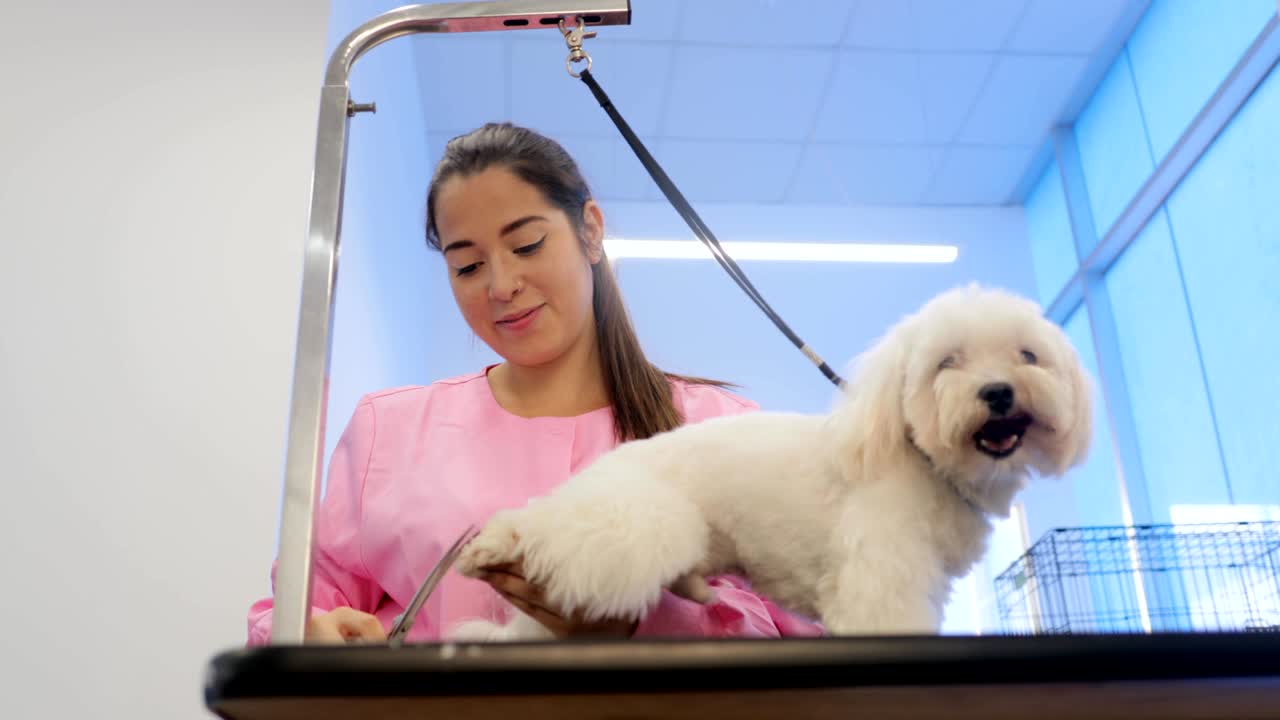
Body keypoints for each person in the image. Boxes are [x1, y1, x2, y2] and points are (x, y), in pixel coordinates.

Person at [246, 123, 824, 645]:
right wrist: (310, 637)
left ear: (590, 231)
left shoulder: (717, 428)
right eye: (467, 266)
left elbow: (806, 642)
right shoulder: (390, 430)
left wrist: (638, 625)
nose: (500, 284)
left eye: (526, 245)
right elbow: (292, 610)